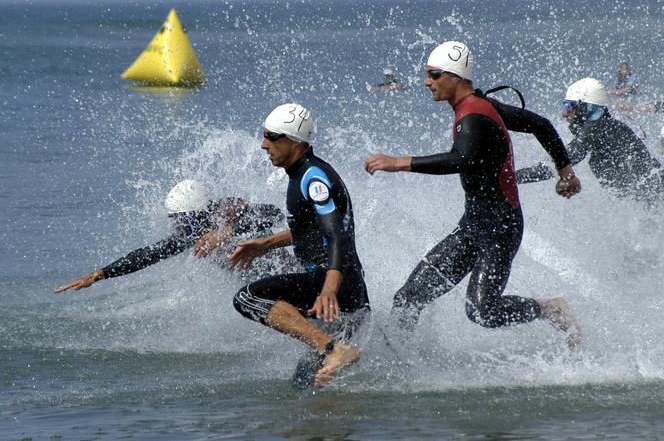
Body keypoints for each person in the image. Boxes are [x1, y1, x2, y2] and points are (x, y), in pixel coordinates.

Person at [364, 41, 582, 348]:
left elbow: (461, 159)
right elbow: (541, 124)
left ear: (456, 77)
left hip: (500, 229)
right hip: (473, 225)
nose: (428, 82)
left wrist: (400, 162)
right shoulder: (481, 106)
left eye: (434, 75)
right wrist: (565, 173)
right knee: (409, 297)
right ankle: (399, 364)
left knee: (482, 310)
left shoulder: (475, 115)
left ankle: (550, 309)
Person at [228, 103, 371, 388]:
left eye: (271, 136)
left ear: (294, 142)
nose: (263, 144)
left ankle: (333, 350)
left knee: (247, 298)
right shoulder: (302, 173)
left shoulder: (312, 178)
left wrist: (329, 290)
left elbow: (336, 235)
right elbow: (312, 229)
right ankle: (333, 358)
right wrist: (266, 244)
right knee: (306, 386)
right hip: (346, 296)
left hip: (335, 289)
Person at [54, 180, 286, 293]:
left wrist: (225, 232)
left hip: (282, 271)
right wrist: (99, 274)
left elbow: (273, 213)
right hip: (256, 283)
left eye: (184, 219)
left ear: (199, 212)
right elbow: (149, 254)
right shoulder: (190, 234)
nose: (180, 226)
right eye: (176, 220)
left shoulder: (226, 211)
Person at [517, 78, 664, 204]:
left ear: (585, 107)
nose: (564, 114)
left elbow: (560, 162)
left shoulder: (597, 128)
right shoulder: (608, 126)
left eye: (569, 106)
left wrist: (510, 177)